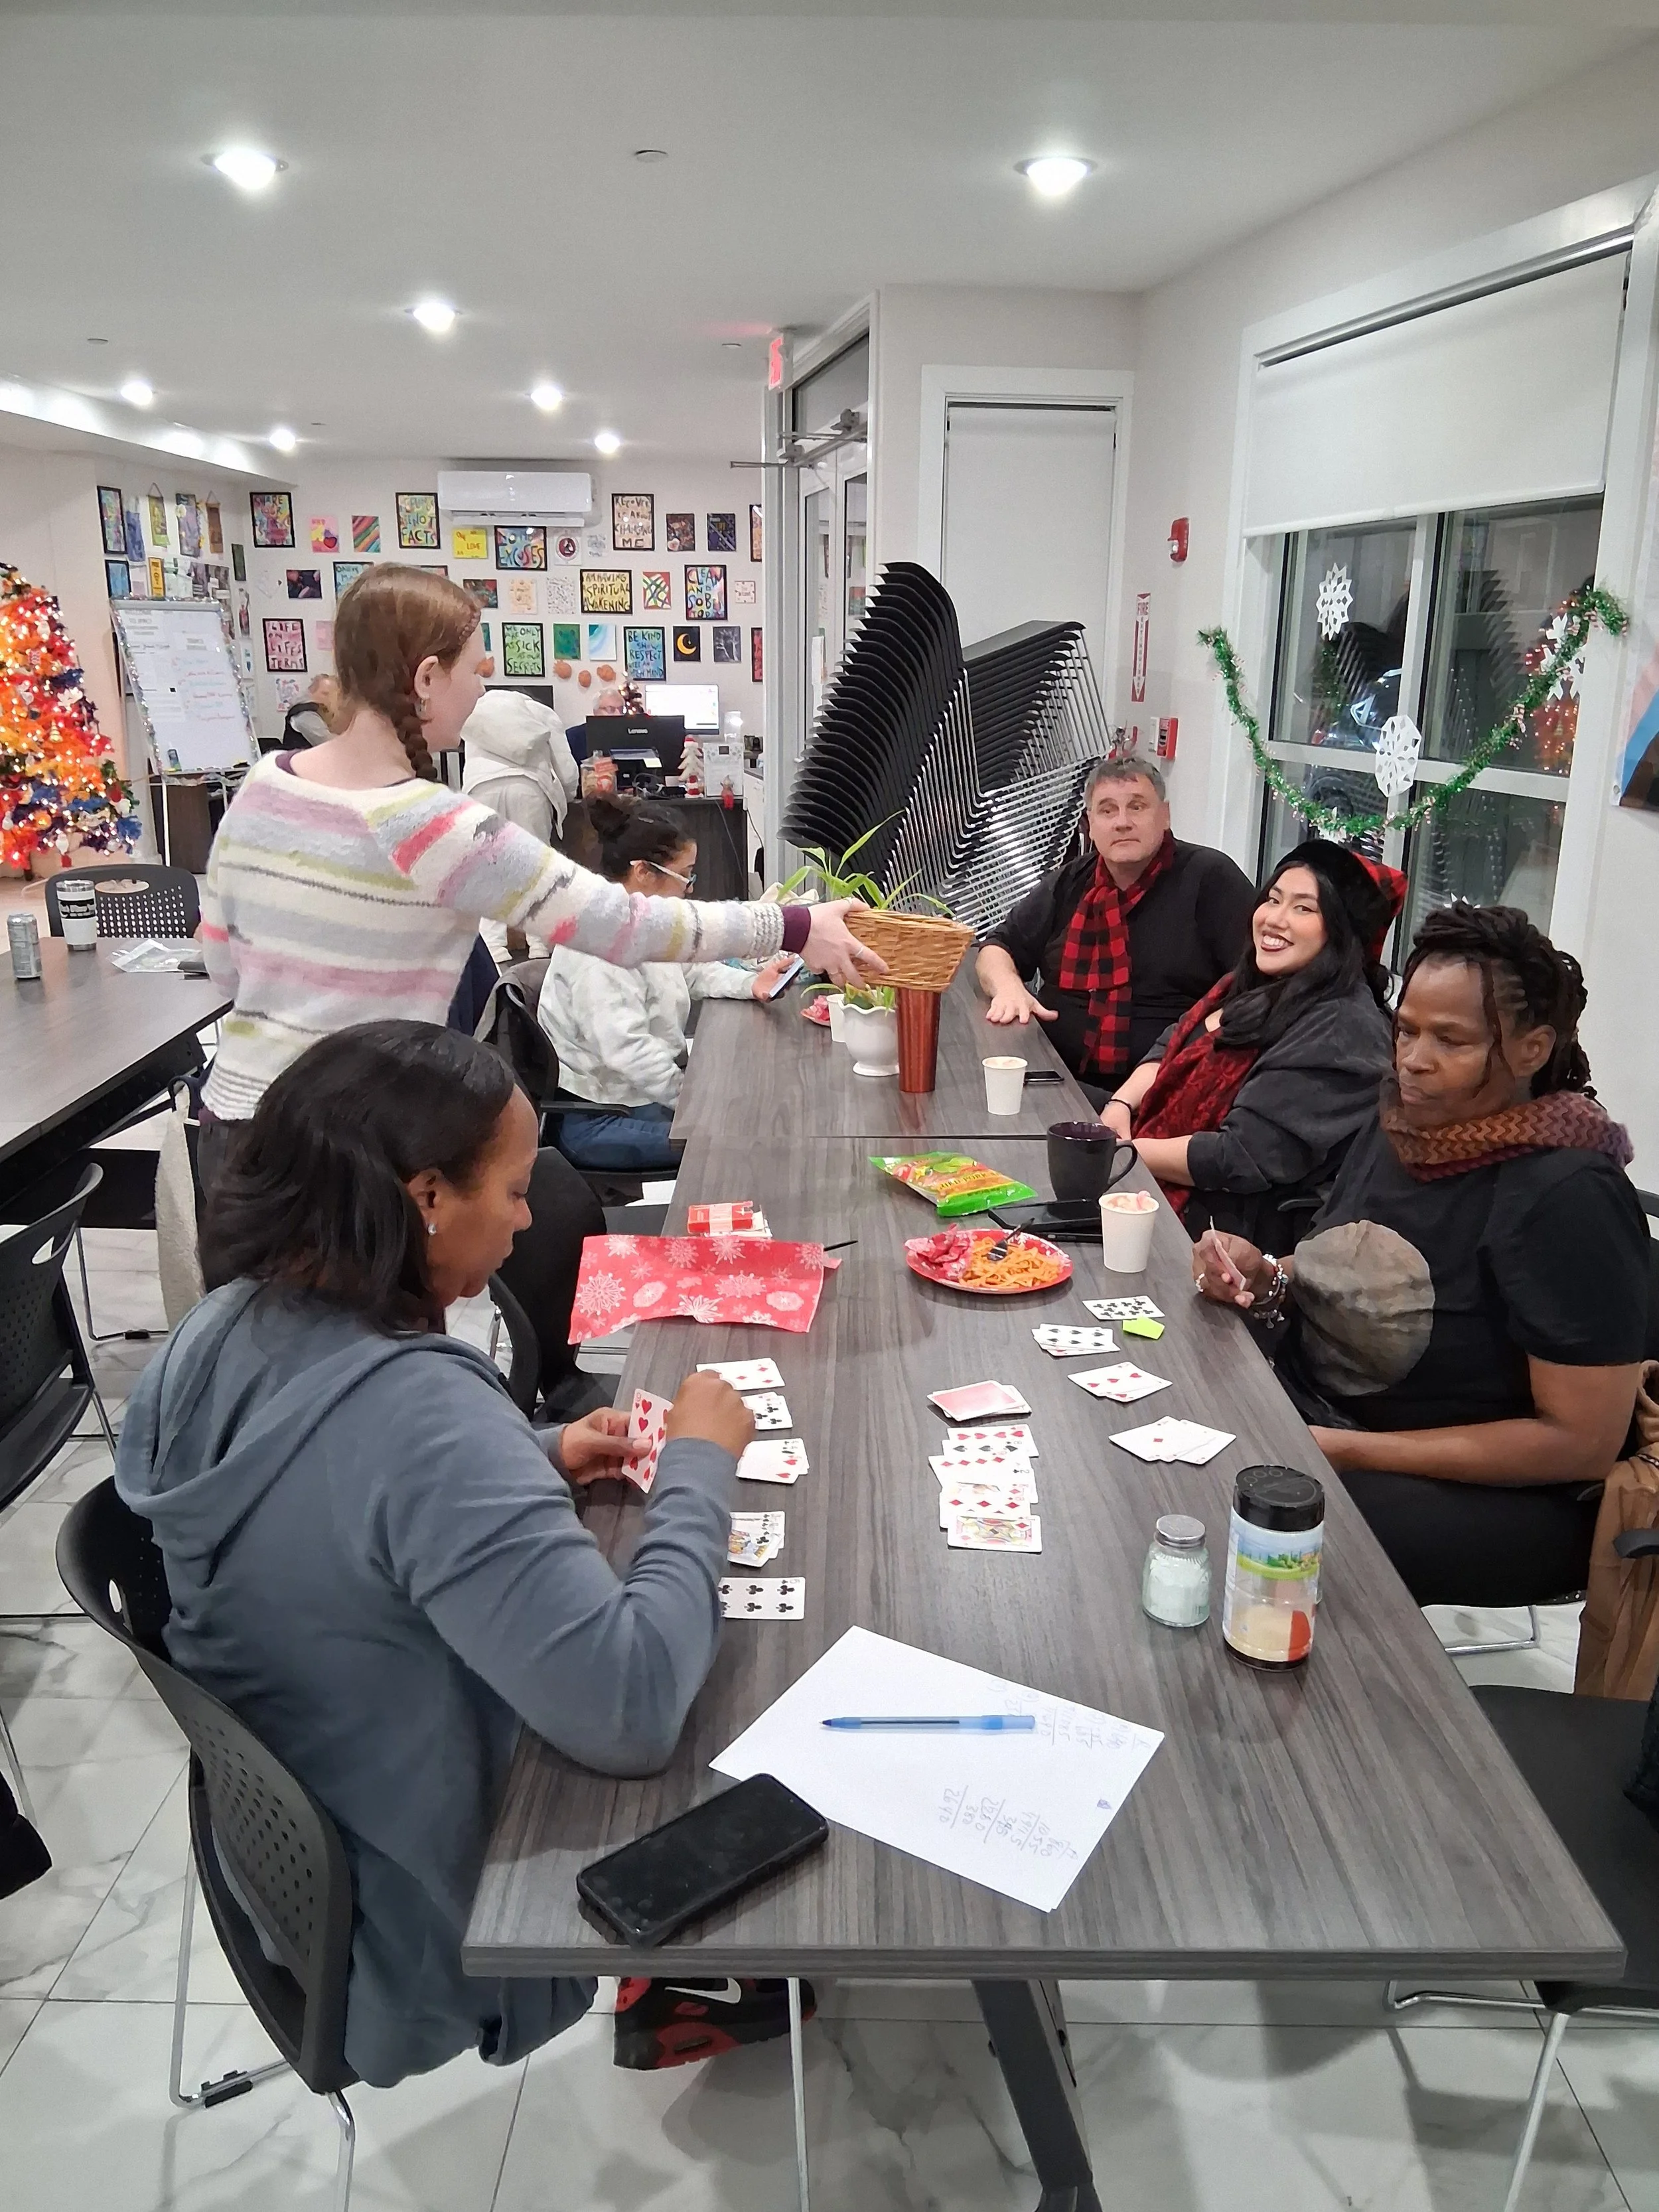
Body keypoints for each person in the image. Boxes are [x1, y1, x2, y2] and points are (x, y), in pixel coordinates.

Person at [114, 1021, 810, 2083]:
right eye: (517, 1190)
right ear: (428, 1195)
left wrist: (535, 1453)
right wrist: (700, 1471)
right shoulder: (424, 1412)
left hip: (290, 1869)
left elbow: (331, 1495)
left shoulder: (214, 1329)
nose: (528, 1217)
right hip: (431, 1920)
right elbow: (628, 1710)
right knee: (767, 1714)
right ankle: (726, 1985)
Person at [196, 566, 879, 1186]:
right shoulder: (433, 824)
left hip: (234, 1128)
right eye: (475, 670)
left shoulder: (264, 785)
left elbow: (221, 962)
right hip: (346, 1150)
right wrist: (790, 924)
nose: (483, 688)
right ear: (427, 678)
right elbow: (621, 922)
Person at [1193, 903, 1650, 1609]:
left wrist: (1339, 1450)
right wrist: (1269, 1274)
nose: (1412, 1059)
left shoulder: (1566, 1193)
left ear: (1531, 1049)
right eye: (1405, 1029)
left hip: (1500, 1496)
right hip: (1333, 1421)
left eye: (1451, 1040)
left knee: (1254, 1522)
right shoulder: (1407, 1122)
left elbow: (1579, 1443)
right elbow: (1359, 1274)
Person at [1098, 840, 1400, 1244]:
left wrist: (1119, 1151)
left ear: (1342, 931)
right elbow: (1176, 1043)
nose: (1275, 920)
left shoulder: (1343, 1025)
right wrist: (1119, 1106)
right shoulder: (1257, 983)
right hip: (1152, 1160)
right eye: (1272, 899)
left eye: (1304, 908)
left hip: (1223, 1230)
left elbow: (1239, 1156)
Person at [538, 794, 796, 1172]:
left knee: (749, 1117)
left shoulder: (637, 922)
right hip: (602, 1115)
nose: (690, 888)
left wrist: (751, 983)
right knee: (739, 1140)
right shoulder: (597, 949)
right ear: (643, 871)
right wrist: (696, 1099)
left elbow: (691, 970)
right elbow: (629, 1052)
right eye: (685, 876)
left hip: (640, 1094)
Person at [975, 758, 1256, 1096]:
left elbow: (1256, 987)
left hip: (1163, 1092)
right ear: (1090, 825)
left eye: (1137, 807)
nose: (1122, 823)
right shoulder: (1071, 881)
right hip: (1054, 1078)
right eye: (1107, 811)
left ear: (1165, 816)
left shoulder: (1210, 879)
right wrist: (1008, 986)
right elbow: (997, 947)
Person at [459, 686, 582, 964]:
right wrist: (569, 793)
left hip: (480, 788)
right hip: (529, 788)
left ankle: (494, 945)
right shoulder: (541, 713)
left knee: (487, 869)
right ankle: (538, 944)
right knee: (535, 868)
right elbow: (566, 766)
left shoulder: (476, 711)